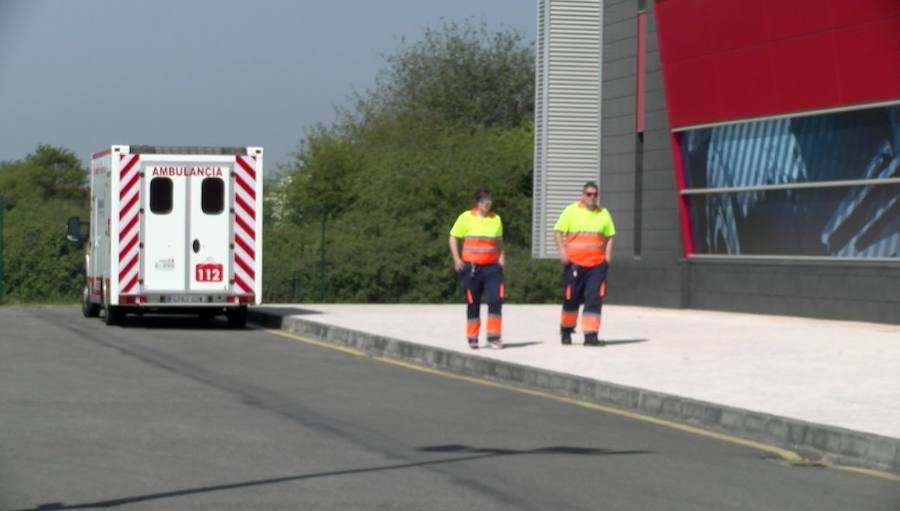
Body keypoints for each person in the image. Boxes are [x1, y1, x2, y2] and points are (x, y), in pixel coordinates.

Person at [554, 181, 616, 347]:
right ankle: (566, 331)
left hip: (596, 265)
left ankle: (591, 336)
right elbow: (558, 231)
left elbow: (610, 236)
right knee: (571, 299)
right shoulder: (571, 211)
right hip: (575, 264)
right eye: (589, 194)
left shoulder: (604, 214)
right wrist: (563, 252)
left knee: (594, 298)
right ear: (583, 195)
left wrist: (607, 257)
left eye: (595, 194)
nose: (592, 197)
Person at [449, 189, 505, 349]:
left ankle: (494, 337)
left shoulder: (496, 219)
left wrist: (501, 256)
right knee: (473, 302)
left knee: (495, 300)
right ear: (478, 203)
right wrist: (456, 258)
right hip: (471, 268)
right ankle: (472, 336)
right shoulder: (465, 218)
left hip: (492, 268)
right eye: (483, 201)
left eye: (489, 201)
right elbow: (453, 237)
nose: (487, 205)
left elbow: (499, 240)